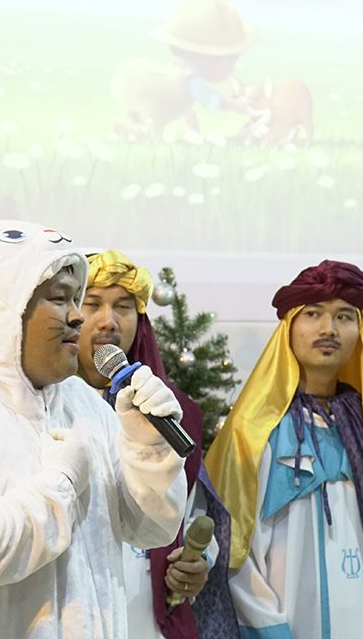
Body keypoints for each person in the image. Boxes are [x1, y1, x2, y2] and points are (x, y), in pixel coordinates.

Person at [0, 217, 188, 639]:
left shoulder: (85, 406)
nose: (77, 317)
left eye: (75, 298)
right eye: (60, 299)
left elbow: (152, 529)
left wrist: (147, 449)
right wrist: (60, 485)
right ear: (1, 308)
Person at [207, 260, 363, 639]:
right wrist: (267, 625)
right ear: (289, 327)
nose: (328, 329)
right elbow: (231, 544)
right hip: (283, 618)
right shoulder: (252, 429)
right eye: (313, 314)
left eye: (344, 317)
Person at [76, 249, 238, 639]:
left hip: (146, 613)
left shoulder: (169, 410)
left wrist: (196, 561)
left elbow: (193, 510)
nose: (109, 320)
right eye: (92, 304)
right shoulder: (47, 408)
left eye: (123, 307)